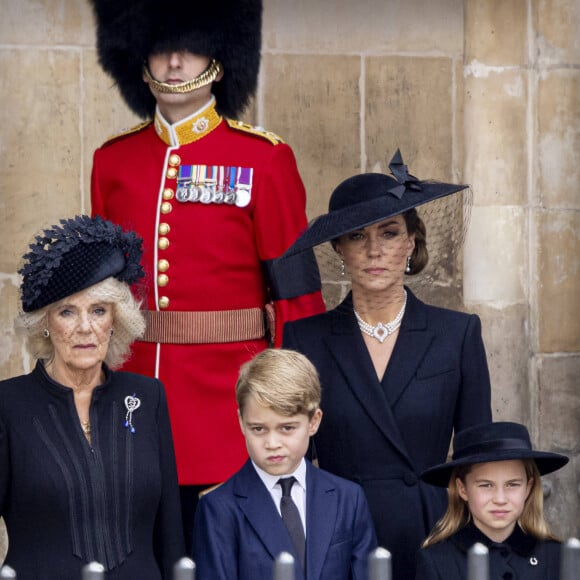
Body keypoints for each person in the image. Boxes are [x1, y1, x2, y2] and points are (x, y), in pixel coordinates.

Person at [87, 0, 325, 549]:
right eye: (162, 48)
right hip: (133, 403)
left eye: (190, 48)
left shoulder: (263, 159)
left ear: (218, 54)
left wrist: (291, 406)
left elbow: (296, 299)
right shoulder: (114, 161)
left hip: (230, 410)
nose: (174, 63)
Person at [281, 149, 493, 579]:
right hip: (339, 532)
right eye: (358, 236)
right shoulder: (305, 339)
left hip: (433, 535)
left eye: (390, 232)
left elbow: (478, 458)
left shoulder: (458, 334)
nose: (374, 249)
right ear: (339, 248)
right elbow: (292, 457)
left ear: (411, 242)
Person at [0, 215, 184, 579]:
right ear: (46, 323)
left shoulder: (147, 397)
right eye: (67, 311)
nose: (85, 327)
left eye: (98, 311)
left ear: (116, 319)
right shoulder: (8, 405)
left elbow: (171, 531)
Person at [192, 348, 377, 580]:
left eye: (287, 428)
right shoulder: (218, 508)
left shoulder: (348, 498)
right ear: (241, 422)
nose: (272, 443)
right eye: (258, 429)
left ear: (313, 421)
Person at [416, 421, 569, 579]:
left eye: (512, 484)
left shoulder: (558, 557)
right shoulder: (437, 561)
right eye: (486, 485)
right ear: (463, 489)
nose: (500, 499)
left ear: (528, 488)